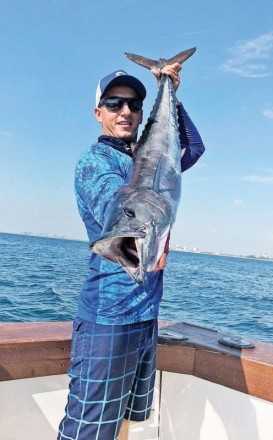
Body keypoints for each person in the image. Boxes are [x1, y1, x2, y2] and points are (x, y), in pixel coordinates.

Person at [58, 62, 205, 440]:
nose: (125, 111)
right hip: (109, 318)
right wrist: (143, 223)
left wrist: (169, 91)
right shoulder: (96, 162)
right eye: (113, 103)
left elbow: (194, 147)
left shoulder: (152, 157)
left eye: (134, 105)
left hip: (145, 315)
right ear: (98, 112)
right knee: (87, 431)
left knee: (125, 421)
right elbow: (117, 204)